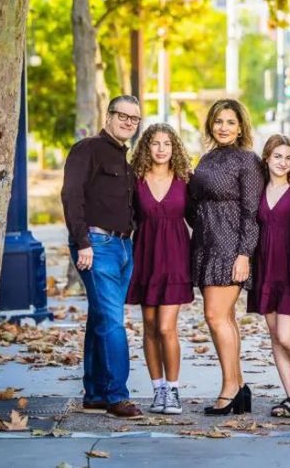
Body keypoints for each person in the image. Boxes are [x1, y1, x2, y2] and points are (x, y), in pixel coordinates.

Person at [60, 96, 143, 418]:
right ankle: (116, 396)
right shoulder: (88, 149)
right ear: (108, 116)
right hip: (96, 244)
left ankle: (95, 393)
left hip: (123, 246)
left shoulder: (124, 157)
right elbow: (71, 195)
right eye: (122, 116)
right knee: (112, 321)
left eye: (134, 119)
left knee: (100, 318)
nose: (128, 122)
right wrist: (82, 242)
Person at [187, 99, 263, 415]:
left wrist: (244, 253)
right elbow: (193, 203)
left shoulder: (248, 161)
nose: (223, 127)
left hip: (232, 248)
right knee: (225, 318)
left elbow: (252, 211)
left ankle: (230, 388)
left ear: (241, 126)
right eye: (218, 121)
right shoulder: (206, 158)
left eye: (230, 122)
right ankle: (239, 386)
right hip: (205, 244)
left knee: (215, 316)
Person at [126, 124, 193, 415]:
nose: (161, 149)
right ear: (146, 147)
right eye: (155, 143)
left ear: (174, 148)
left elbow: (198, 218)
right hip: (145, 257)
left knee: (167, 327)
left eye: (167, 143)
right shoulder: (135, 180)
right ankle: (158, 390)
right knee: (150, 327)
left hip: (176, 258)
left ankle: (174, 390)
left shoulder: (185, 180)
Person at [247, 134, 290, 418]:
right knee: (274, 335)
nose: (283, 162)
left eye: (288, 157)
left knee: (286, 335)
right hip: (265, 267)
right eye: (277, 157)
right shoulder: (258, 190)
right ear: (267, 158)